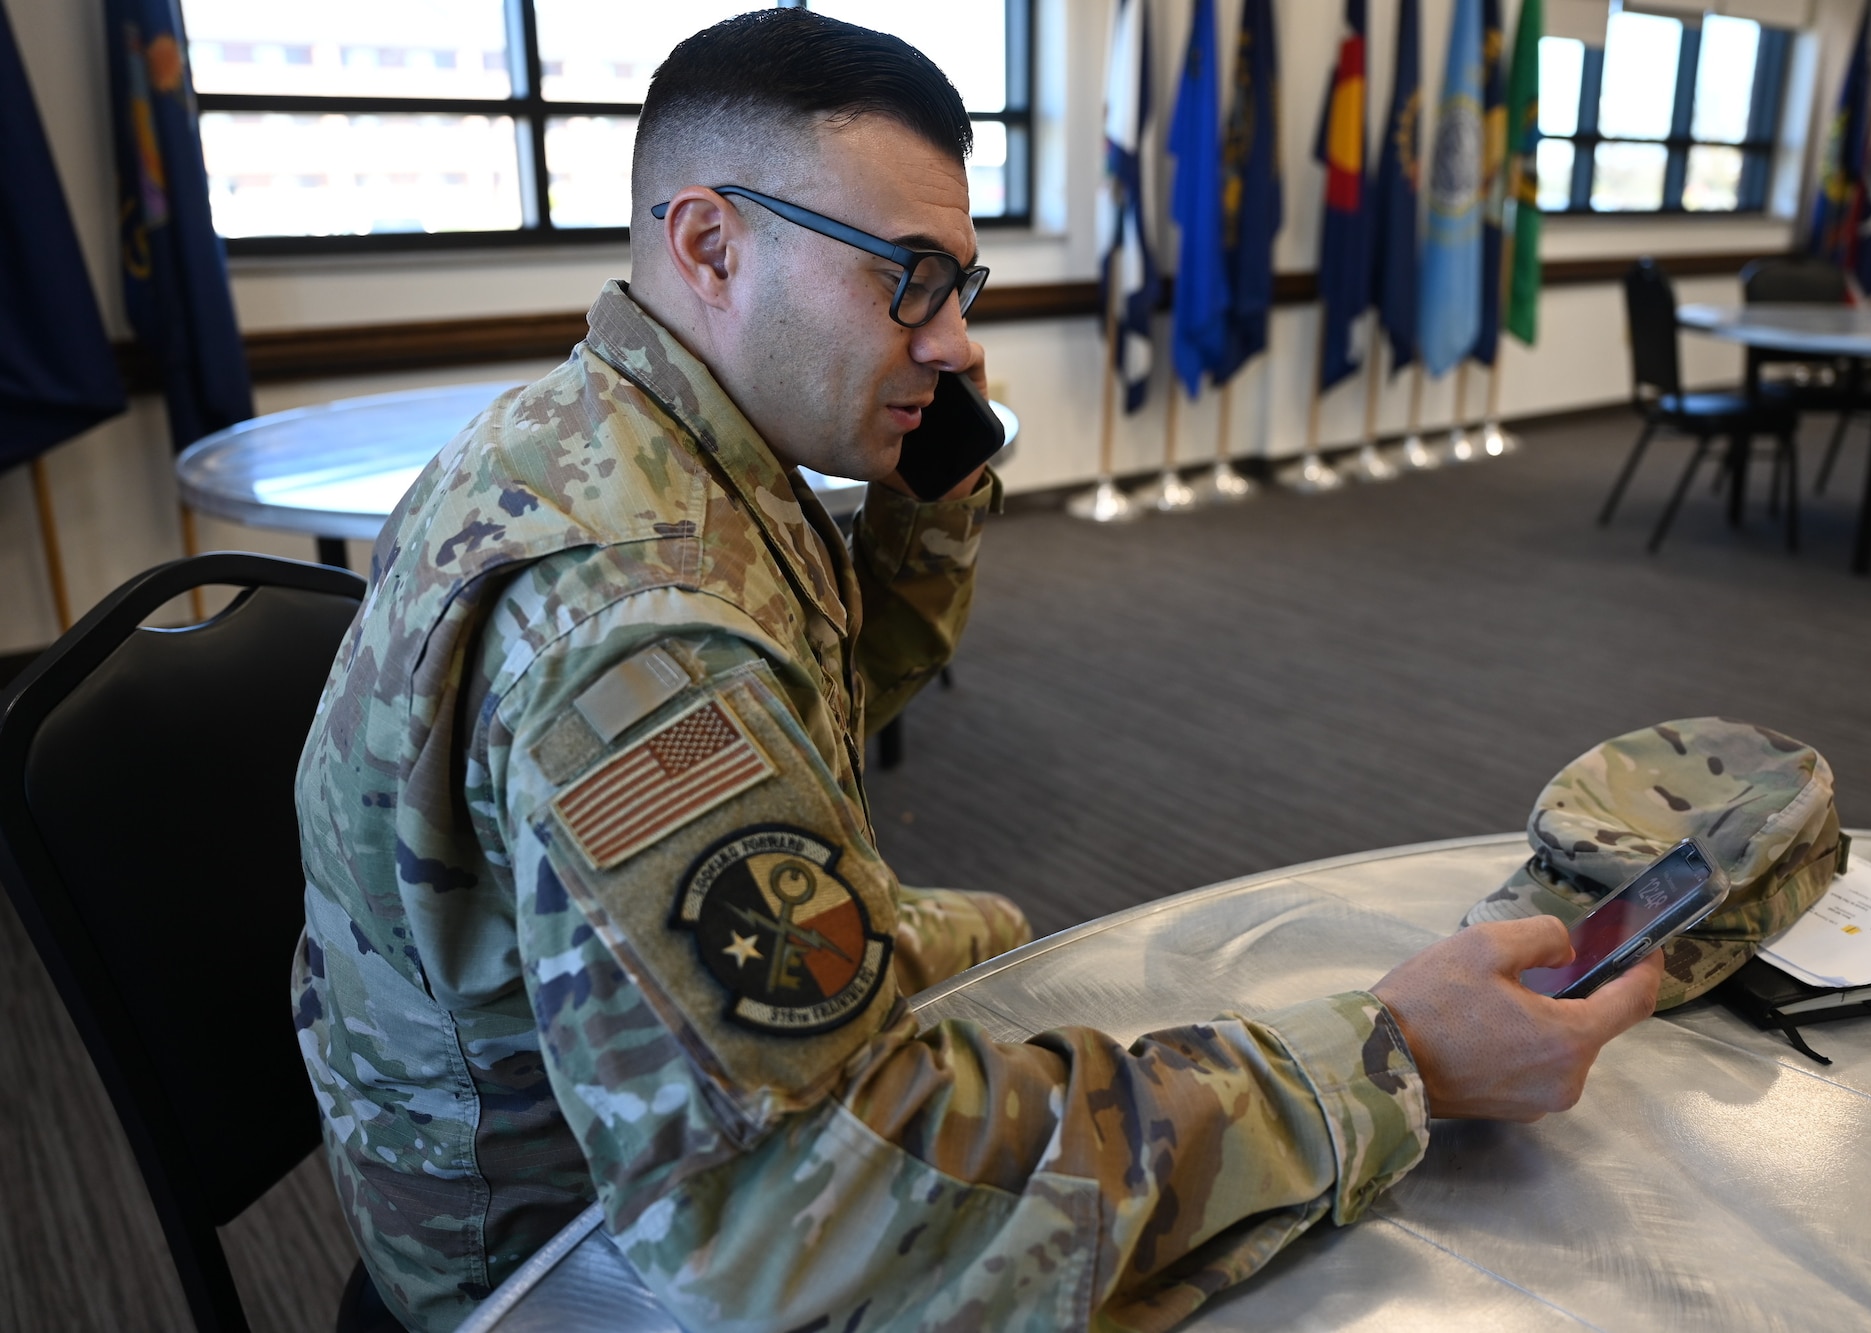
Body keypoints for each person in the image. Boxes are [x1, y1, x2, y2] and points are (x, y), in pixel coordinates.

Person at [291, 12, 1663, 1332]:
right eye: (906, 276)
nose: (951, 339)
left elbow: (836, 693)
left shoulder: (626, 435)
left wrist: (932, 463)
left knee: (1015, 943)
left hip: (576, 1115)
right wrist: (1389, 1062)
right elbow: (794, 1224)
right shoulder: (641, 620)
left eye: (962, 285)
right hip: (552, 1254)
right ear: (708, 243)